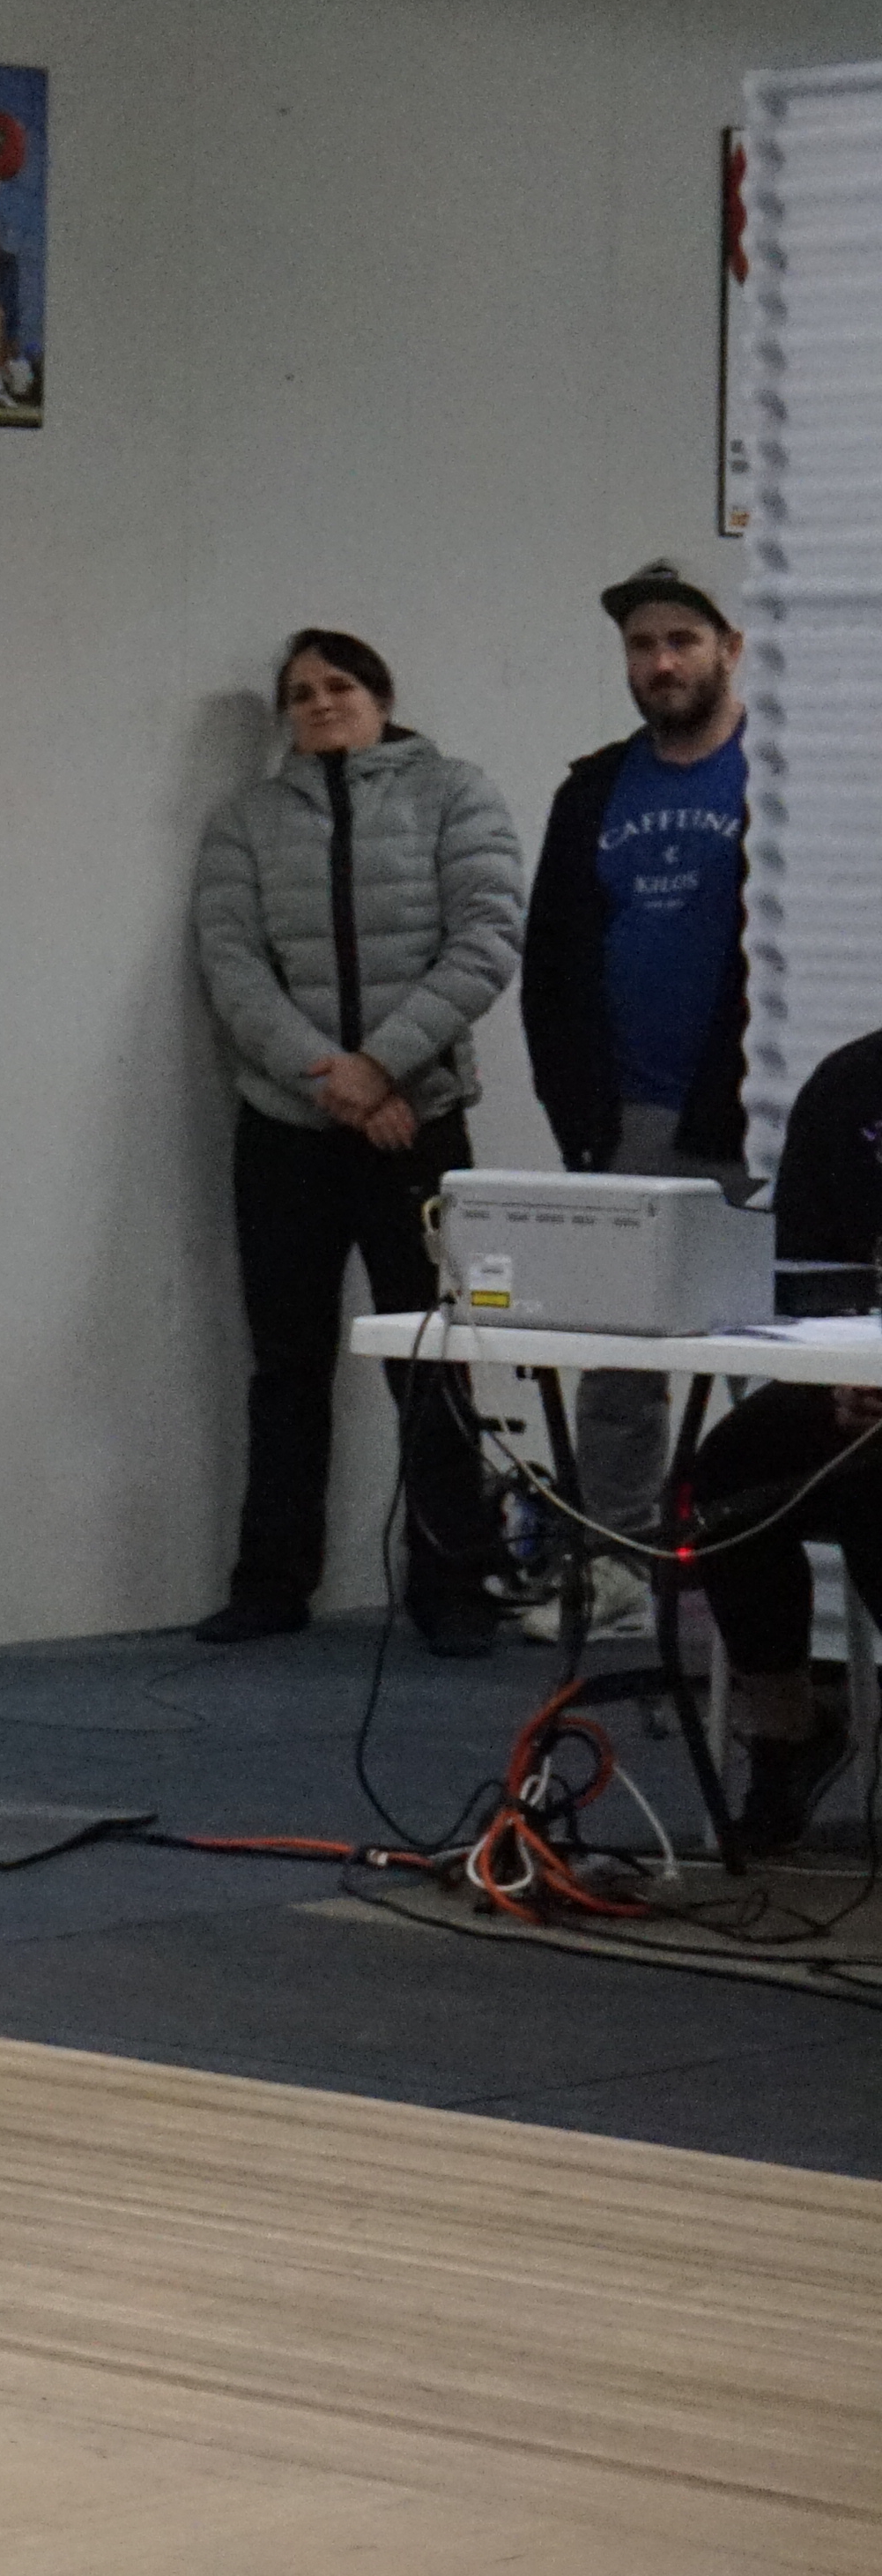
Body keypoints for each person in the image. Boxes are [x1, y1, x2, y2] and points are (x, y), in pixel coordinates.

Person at [189, 629, 525, 1649]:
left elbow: (484, 936)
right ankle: (270, 1582)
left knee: (432, 1357)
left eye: (337, 684)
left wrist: (384, 1066)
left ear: (379, 694)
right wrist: (338, 1083)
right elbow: (233, 966)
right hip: (288, 1125)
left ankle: (450, 1584)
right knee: (284, 1362)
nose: (319, 703)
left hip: (415, 1123)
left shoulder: (453, 794)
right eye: (298, 693)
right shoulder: (244, 820)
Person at [522, 562, 754, 1545]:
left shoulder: (780, 773)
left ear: (728, 649)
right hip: (631, 1117)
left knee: (770, 1363)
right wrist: (578, 1114)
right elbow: (548, 964)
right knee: (619, 1368)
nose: (659, 662)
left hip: (758, 1109)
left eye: (681, 641)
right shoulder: (590, 791)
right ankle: (615, 1557)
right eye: (640, 645)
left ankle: (767, 1571)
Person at [671, 1022, 882, 1853]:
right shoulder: (850, 1085)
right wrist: (841, 1371)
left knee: (871, 1497)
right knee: (727, 1477)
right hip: (851, 1377)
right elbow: (795, 1268)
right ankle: (788, 1733)